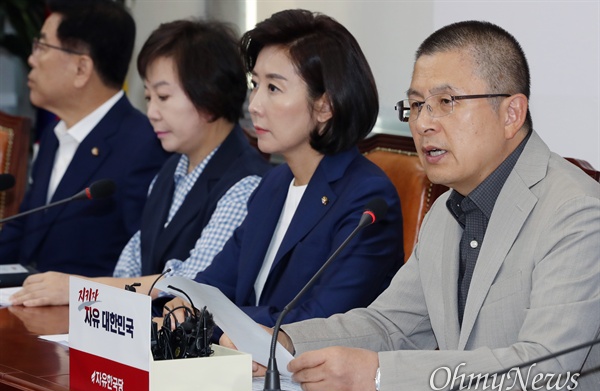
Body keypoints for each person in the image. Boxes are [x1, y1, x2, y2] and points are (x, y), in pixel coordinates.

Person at [224, 20, 600, 391]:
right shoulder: (446, 211)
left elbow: (541, 373)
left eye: (446, 102)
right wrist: (282, 342)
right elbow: (391, 326)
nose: (422, 123)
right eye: (417, 105)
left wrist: (380, 377)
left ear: (511, 113)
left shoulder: (576, 212)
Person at [162, 9, 403, 335]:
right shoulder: (272, 184)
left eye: (273, 88)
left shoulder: (367, 198)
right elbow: (213, 285)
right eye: (255, 84)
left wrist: (207, 323)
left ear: (325, 107)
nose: (254, 104)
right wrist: (183, 306)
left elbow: (318, 322)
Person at [9, 19, 271, 307]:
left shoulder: (246, 183)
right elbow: (130, 267)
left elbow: (191, 284)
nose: (152, 112)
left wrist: (80, 289)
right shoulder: (171, 169)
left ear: (209, 95)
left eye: (163, 96)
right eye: (148, 97)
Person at [0, 0, 170, 277]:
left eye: (42, 46)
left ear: (81, 69)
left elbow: (143, 269)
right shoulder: (55, 134)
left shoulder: (144, 147)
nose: (31, 58)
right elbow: (23, 229)